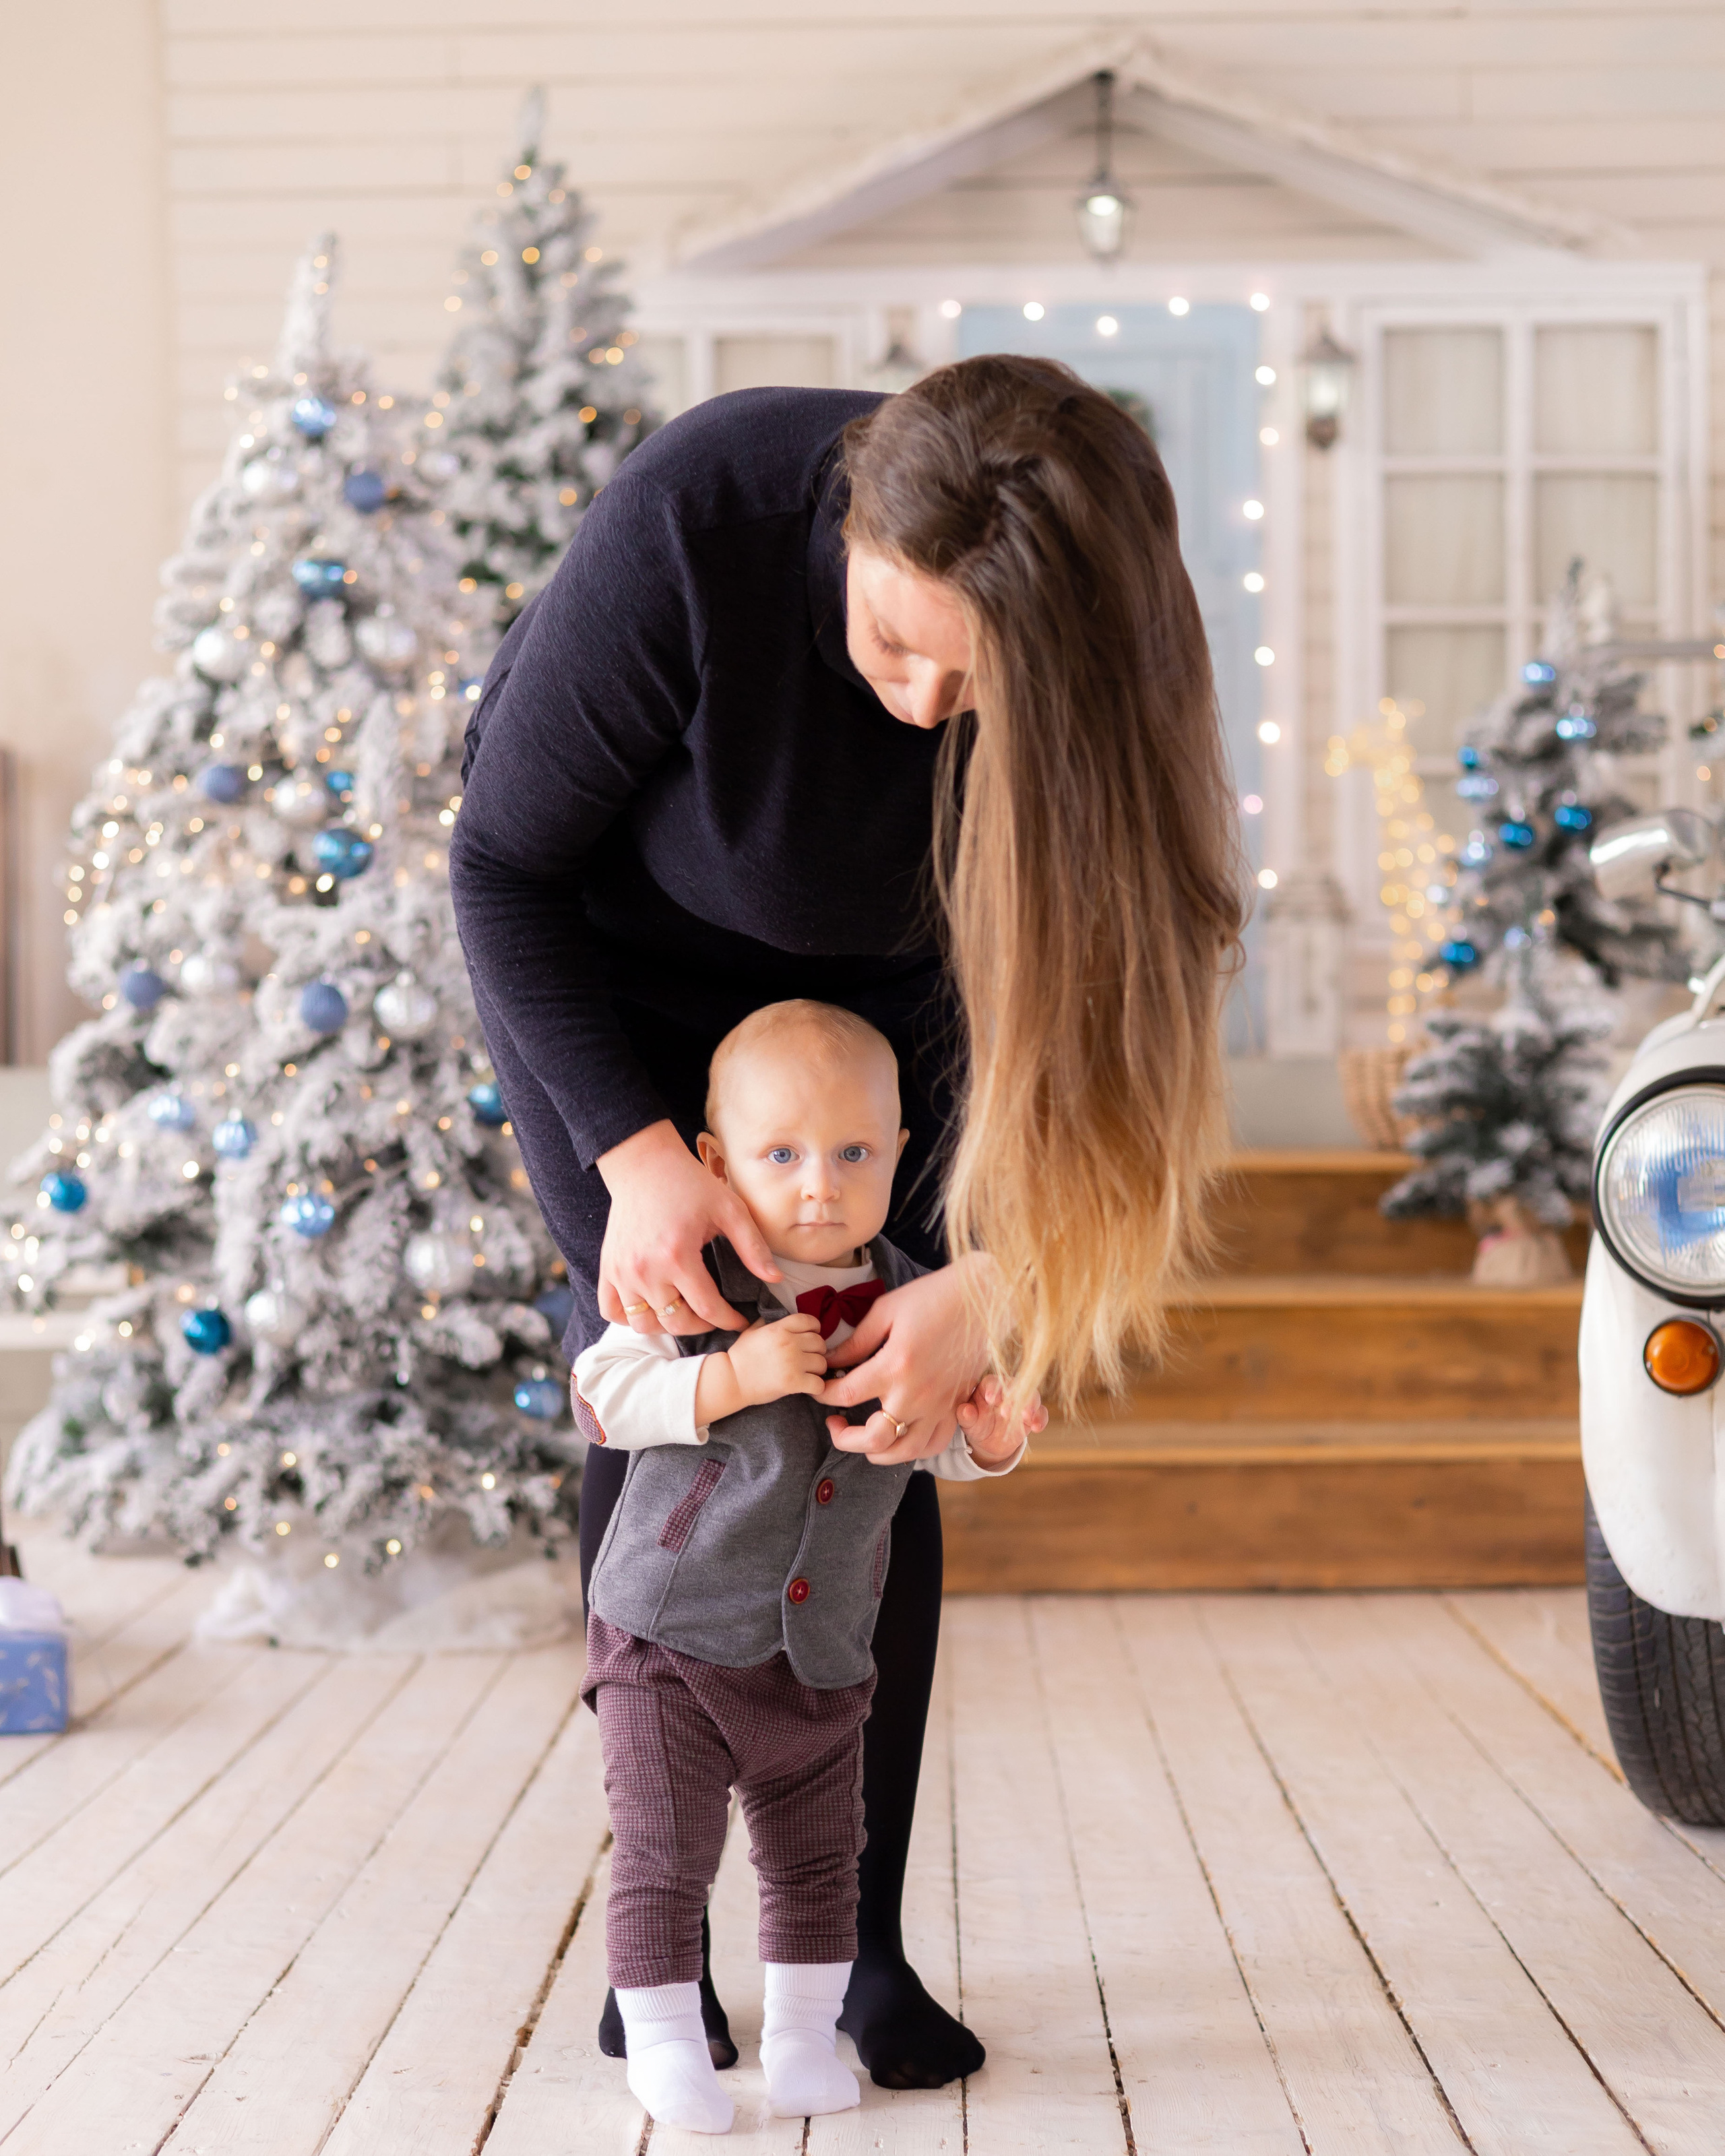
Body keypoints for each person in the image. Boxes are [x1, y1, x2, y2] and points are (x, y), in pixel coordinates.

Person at [449, 354, 1245, 2089]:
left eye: (974, 683)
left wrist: (992, 1281)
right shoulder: (703, 519)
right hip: (629, 994)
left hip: (928, 1014)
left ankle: (852, 1944)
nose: (921, 701)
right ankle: (660, 1943)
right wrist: (634, 1157)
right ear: (850, 533)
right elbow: (502, 867)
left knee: (876, 1396)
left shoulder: (1113, 636)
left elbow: (1139, 995)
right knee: (684, 1381)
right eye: (892, 642)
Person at [577, 999, 1024, 2132]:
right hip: (669, 1641)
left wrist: (988, 1437)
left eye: (853, 1153)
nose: (821, 1186)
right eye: (782, 1156)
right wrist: (729, 1379)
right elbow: (602, 1396)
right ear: (716, 1163)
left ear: (902, 1155)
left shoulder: (919, 1300)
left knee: (822, 1863)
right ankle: (665, 2041)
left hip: (822, 1656)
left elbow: (932, 1451)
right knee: (665, 1854)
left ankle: (803, 2040)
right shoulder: (691, 1280)